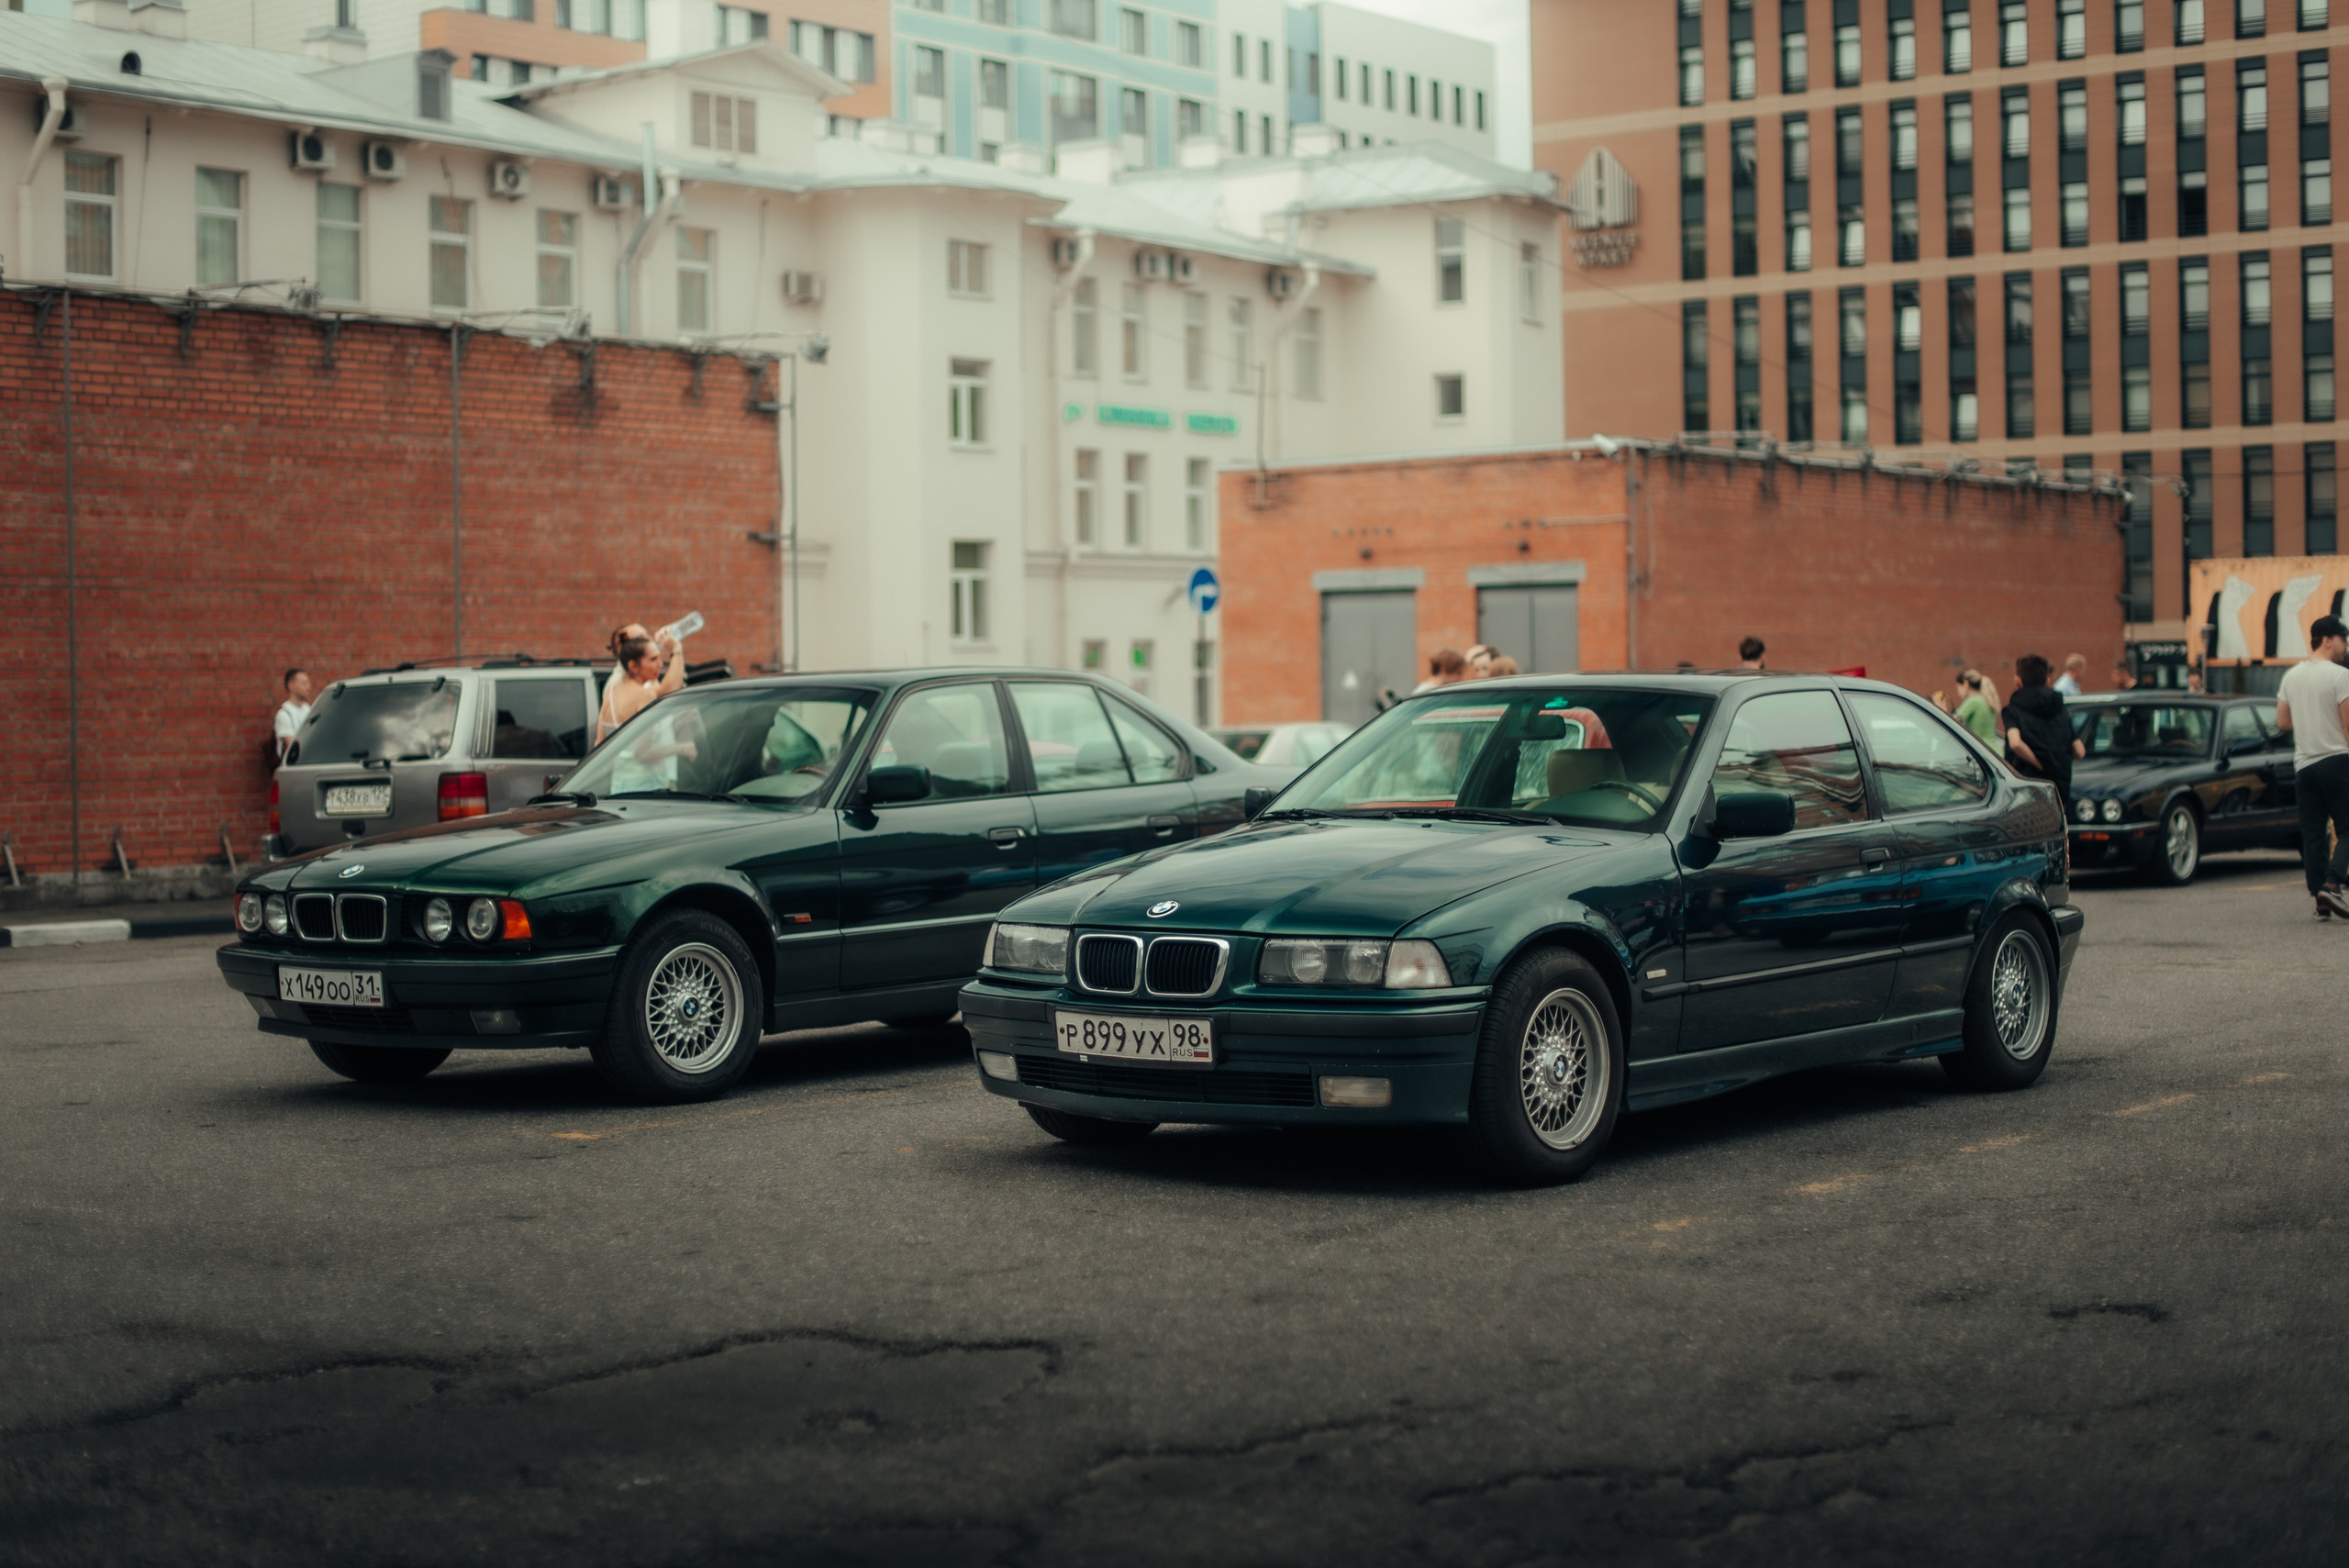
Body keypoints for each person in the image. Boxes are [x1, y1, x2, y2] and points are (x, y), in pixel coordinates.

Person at [2272, 615, 2349, 919]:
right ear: (2328, 639)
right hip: (2337, 760)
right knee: (2347, 828)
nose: (2345, 646)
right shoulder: (2340, 675)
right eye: (2343, 639)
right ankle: (2332, 883)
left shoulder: (2291, 676)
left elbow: (2282, 723)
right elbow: (2348, 726)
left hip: (2304, 765)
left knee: (2314, 831)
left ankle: (2319, 896)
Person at [2003, 653, 2083, 815]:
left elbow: (2015, 743)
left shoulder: (2012, 710)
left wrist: (2039, 764)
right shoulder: (2060, 709)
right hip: (2059, 788)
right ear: (2047, 680)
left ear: (2017, 680)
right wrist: (2059, 761)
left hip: (2025, 785)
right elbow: (2080, 751)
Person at [597, 630, 685, 744]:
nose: (660, 664)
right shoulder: (644, 695)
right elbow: (671, 688)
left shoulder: (612, 692)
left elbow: (599, 742)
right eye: (653, 659)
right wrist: (677, 649)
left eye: (659, 658)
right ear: (633, 666)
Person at [1952, 669, 2004, 756]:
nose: (1958, 693)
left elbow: (1952, 722)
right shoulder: (1987, 700)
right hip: (1995, 751)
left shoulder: (1973, 701)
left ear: (1965, 683)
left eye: (1958, 688)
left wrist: (1942, 709)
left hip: (1983, 752)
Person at [272, 669, 315, 762]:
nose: (309, 687)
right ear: (291, 686)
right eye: (304, 683)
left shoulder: (309, 709)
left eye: (308, 683)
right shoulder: (284, 714)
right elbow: (291, 746)